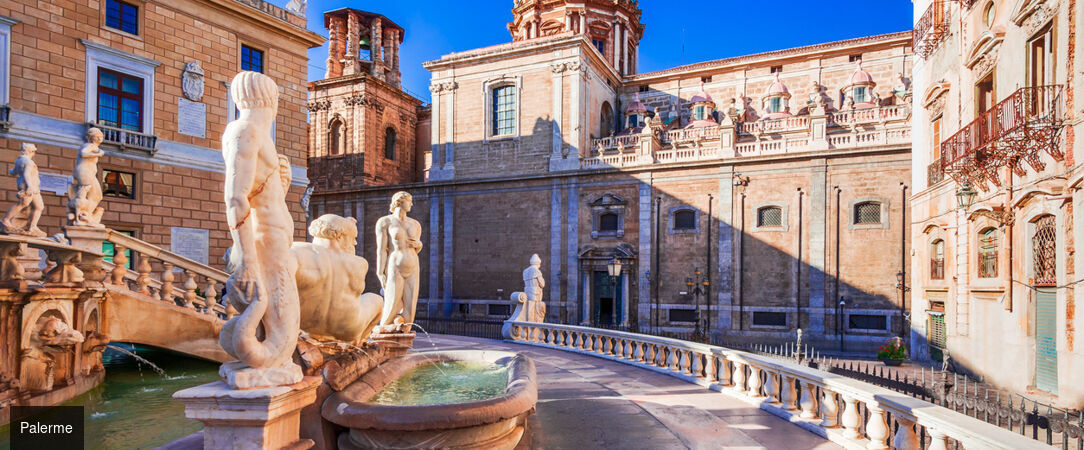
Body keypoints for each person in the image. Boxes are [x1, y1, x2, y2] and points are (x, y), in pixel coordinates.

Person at [217, 71, 301, 386]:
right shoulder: (245, 130)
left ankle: (246, 338)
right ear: (271, 100)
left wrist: (282, 183)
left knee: (282, 338)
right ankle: (254, 360)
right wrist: (247, 259)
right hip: (266, 250)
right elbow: (235, 198)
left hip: (276, 247)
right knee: (279, 347)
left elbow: (260, 196)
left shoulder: (258, 136)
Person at [375, 191, 423, 331]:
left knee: (410, 304)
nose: (411, 204)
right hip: (395, 264)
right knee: (391, 301)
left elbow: (418, 246)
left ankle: (403, 332)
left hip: (413, 264)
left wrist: (419, 245)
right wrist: (380, 272)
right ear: (399, 201)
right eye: (409, 201)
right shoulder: (385, 222)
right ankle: (385, 330)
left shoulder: (415, 224)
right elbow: (382, 249)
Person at [1, 143, 45, 236]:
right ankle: (6, 220)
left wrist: (12, 172)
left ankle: (32, 227)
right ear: (30, 151)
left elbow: (13, 172)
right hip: (29, 186)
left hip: (31, 187)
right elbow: (26, 174)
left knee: (39, 206)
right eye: (34, 152)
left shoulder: (19, 160)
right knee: (23, 204)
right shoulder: (28, 162)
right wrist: (29, 186)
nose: (34, 154)